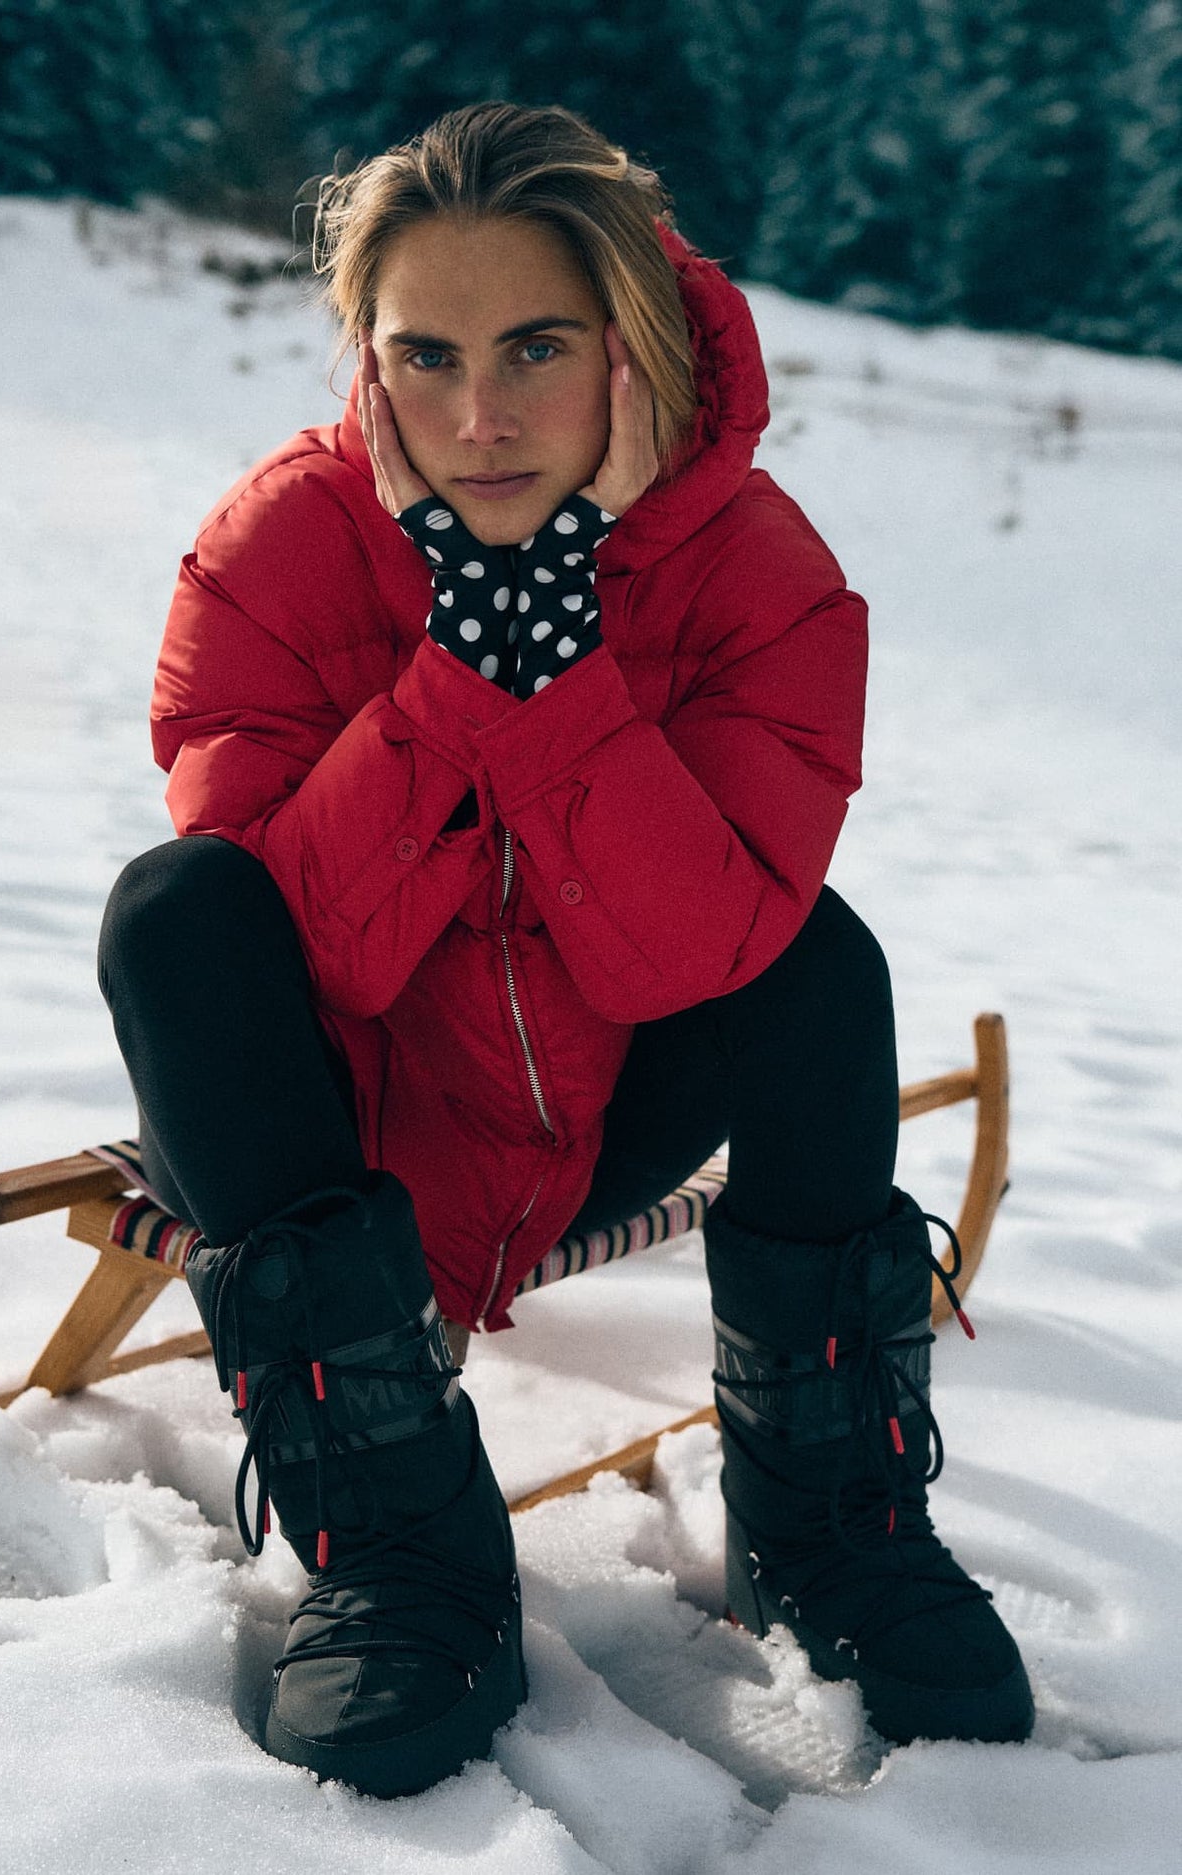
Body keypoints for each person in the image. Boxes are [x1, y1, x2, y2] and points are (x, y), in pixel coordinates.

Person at [98, 101, 1033, 1797]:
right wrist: (462, 674)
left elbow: (706, 950)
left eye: (536, 347)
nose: (480, 418)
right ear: (369, 360)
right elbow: (306, 961)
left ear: (631, 345)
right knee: (176, 912)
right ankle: (402, 1549)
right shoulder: (282, 547)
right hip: (324, 1136)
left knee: (819, 959)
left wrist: (561, 681)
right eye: (427, 356)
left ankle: (829, 1527)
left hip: (604, 1115)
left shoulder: (755, 573)